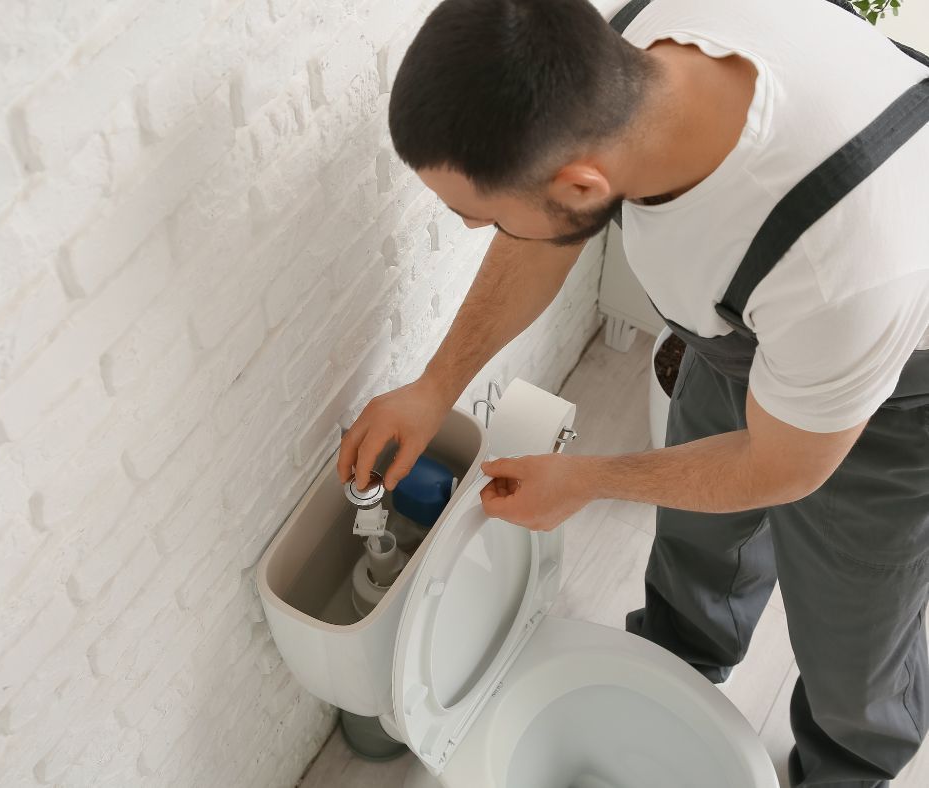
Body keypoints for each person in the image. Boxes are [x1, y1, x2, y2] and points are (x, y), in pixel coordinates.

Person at [336, 0, 929, 784]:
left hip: (898, 391)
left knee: (855, 632)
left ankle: (848, 765)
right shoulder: (630, 55)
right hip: (747, 330)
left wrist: (589, 481)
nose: (480, 231)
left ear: (582, 184)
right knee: (698, 542)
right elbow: (545, 231)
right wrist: (435, 384)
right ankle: (681, 662)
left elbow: (783, 466)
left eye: (479, 216)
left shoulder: (839, 267)